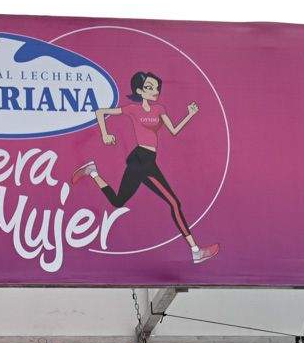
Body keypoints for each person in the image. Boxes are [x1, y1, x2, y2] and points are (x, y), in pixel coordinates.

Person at [74, 71, 220, 265]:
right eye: (149, 88)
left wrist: (190, 115)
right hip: (141, 160)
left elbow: (174, 131)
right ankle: (195, 251)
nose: (155, 91)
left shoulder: (159, 109)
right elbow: (101, 112)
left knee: (118, 201)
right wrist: (105, 134)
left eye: (156, 88)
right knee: (174, 203)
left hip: (146, 160)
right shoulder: (132, 109)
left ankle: (93, 172)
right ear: (139, 90)